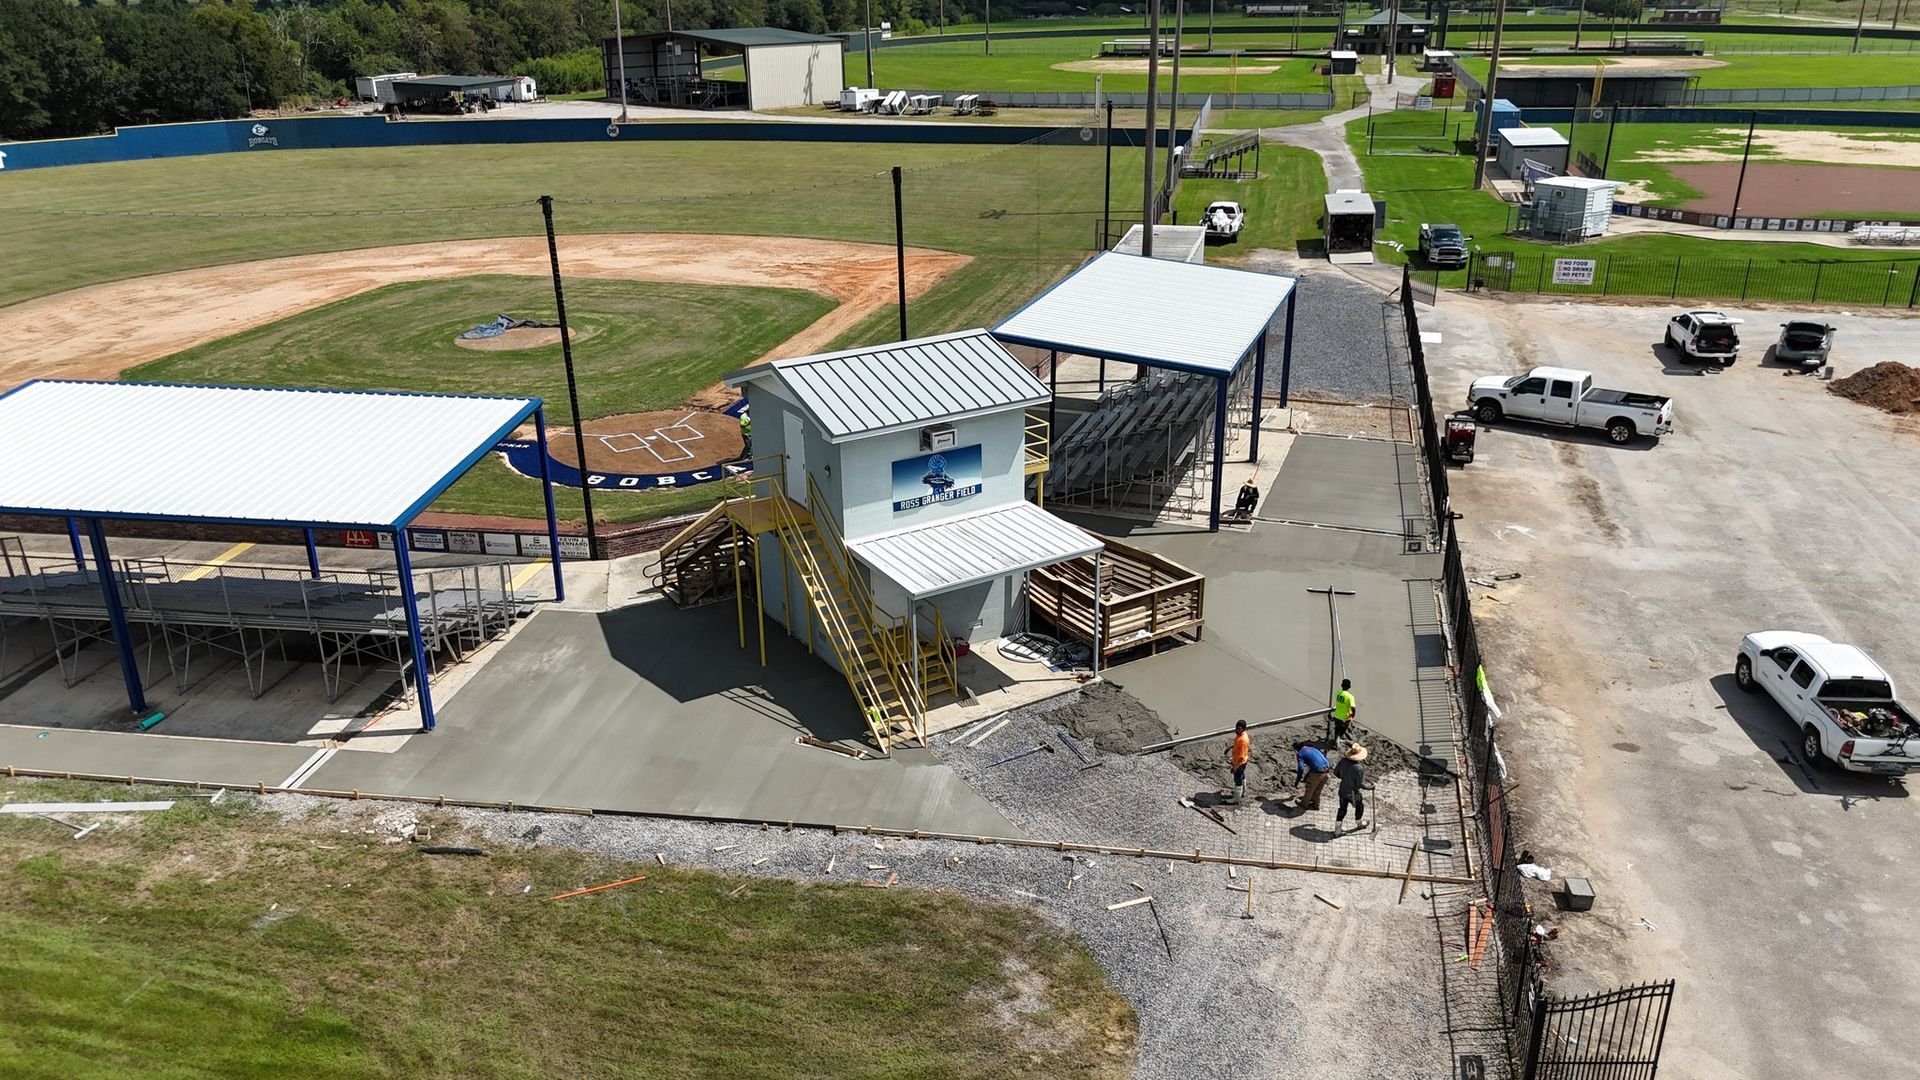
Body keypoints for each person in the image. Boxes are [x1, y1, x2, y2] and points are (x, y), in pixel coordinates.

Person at [1333, 743, 1370, 832]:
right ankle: (1359, 823)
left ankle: (1337, 830)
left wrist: (1343, 777)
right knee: (1359, 806)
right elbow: (1361, 784)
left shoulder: (1342, 761)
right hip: (1353, 793)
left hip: (1343, 789)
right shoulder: (1358, 768)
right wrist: (1371, 787)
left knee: (1342, 808)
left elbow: (1335, 772)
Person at [1294, 740, 1332, 810]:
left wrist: (1298, 780)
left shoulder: (1300, 753)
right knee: (1318, 789)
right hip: (1327, 770)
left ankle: (1304, 804)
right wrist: (1308, 775)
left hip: (1317, 772)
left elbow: (1301, 768)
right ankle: (1315, 804)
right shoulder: (1312, 748)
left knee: (1310, 789)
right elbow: (1317, 761)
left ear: (1296, 749)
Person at [1226, 719, 1251, 806]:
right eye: (1236, 728)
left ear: (1243, 729)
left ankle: (1236, 799)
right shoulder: (1240, 736)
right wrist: (1230, 747)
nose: (1236, 730)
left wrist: (1235, 767)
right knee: (1242, 776)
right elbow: (1237, 745)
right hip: (1240, 762)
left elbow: (1242, 756)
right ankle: (1243, 792)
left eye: (1238, 728)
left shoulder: (1243, 740)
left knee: (1237, 780)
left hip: (1239, 763)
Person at [1332, 678, 1357, 744]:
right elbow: (1353, 708)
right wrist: (1352, 716)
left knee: (1337, 729)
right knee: (1343, 730)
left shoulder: (1338, 693)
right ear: (1349, 687)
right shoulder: (1350, 697)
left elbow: (1338, 697)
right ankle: (1338, 740)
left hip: (1337, 715)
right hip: (1345, 717)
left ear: (1341, 685)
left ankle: (1337, 738)